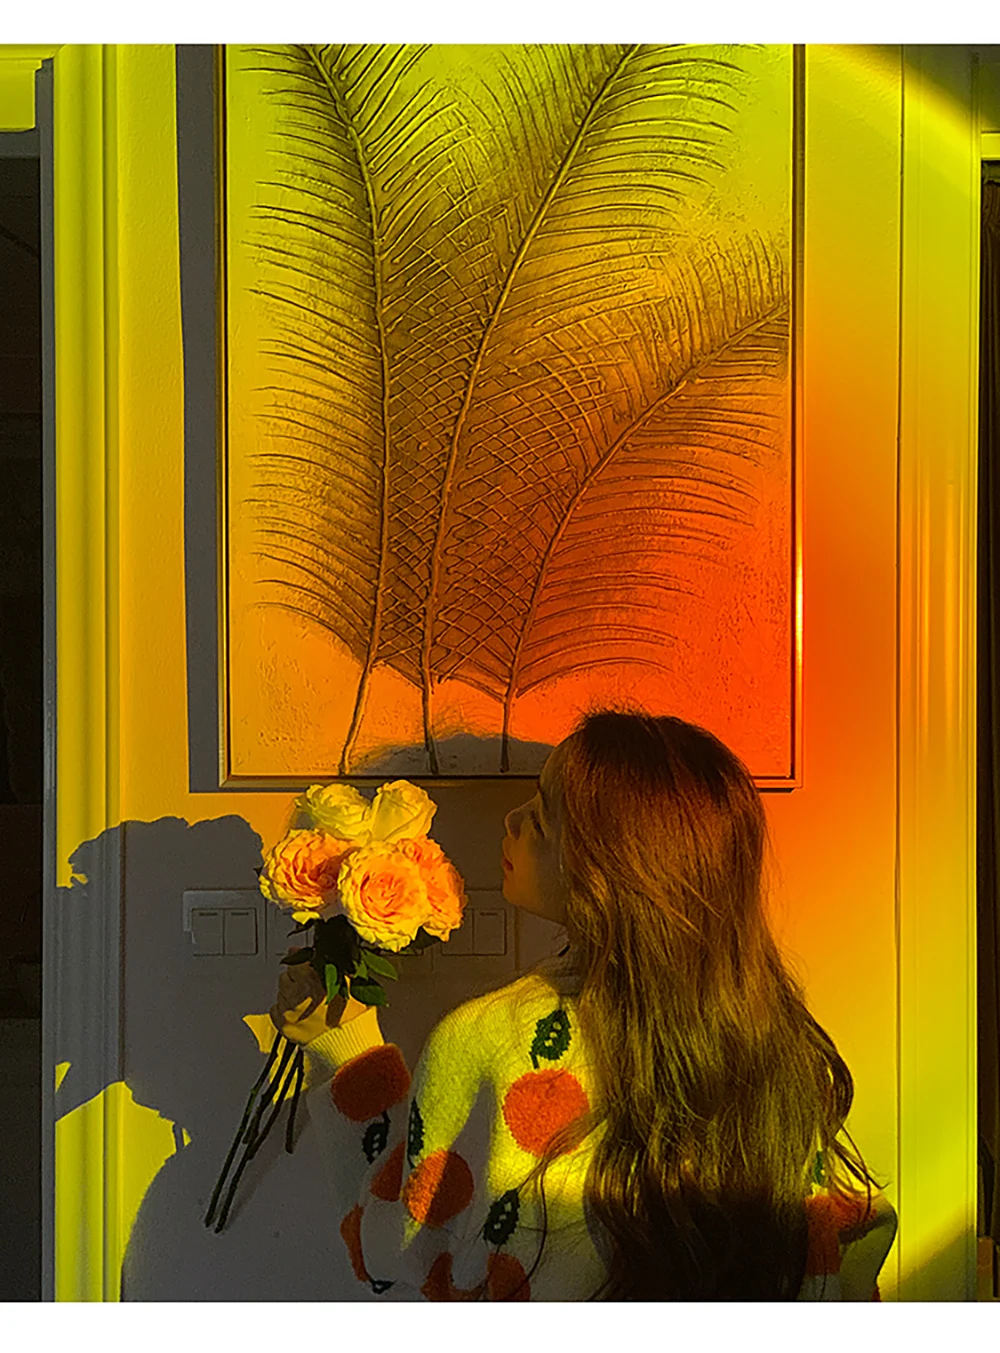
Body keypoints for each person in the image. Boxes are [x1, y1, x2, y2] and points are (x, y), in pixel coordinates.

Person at [270, 708, 897, 1301]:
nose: (511, 818)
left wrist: (346, 1051)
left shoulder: (487, 1039)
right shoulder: (779, 1052)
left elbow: (393, 1245)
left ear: (610, 871)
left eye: (541, 818)